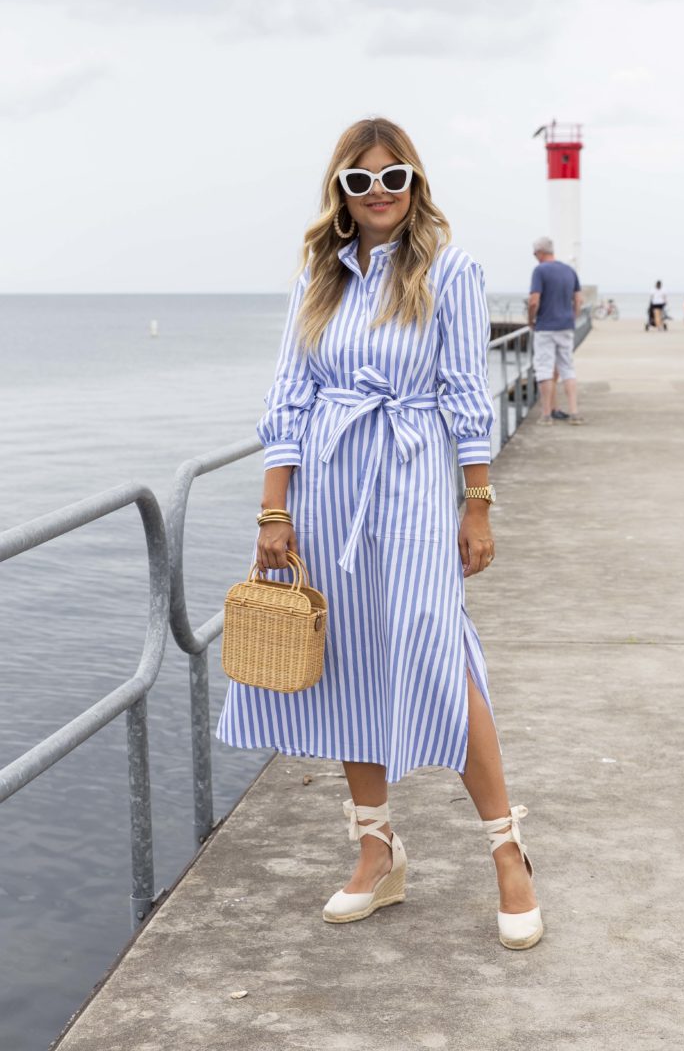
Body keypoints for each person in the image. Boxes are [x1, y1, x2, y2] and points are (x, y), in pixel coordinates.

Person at [216, 117, 543, 951]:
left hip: (409, 487)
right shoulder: (320, 279)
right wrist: (274, 511)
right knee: (351, 661)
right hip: (327, 489)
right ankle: (376, 850)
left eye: (391, 177)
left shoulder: (451, 270)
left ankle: (509, 854)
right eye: (360, 183)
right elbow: (287, 396)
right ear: (341, 195)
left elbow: (469, 394)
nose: (378, 194)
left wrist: (478, 501)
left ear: (414, 183)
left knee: (439, 652)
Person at [527, 236, 585, 426]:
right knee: (567, 368)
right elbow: (578, 300)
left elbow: (534, 300)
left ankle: (546, 415)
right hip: (566, 326)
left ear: (540, 252)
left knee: (544, 369)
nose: (535, 256)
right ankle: (574, 412)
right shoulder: (570, 270)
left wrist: (531, 320)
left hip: (545, 327)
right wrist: (573, 317)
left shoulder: (539, 271)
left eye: (535, 253)